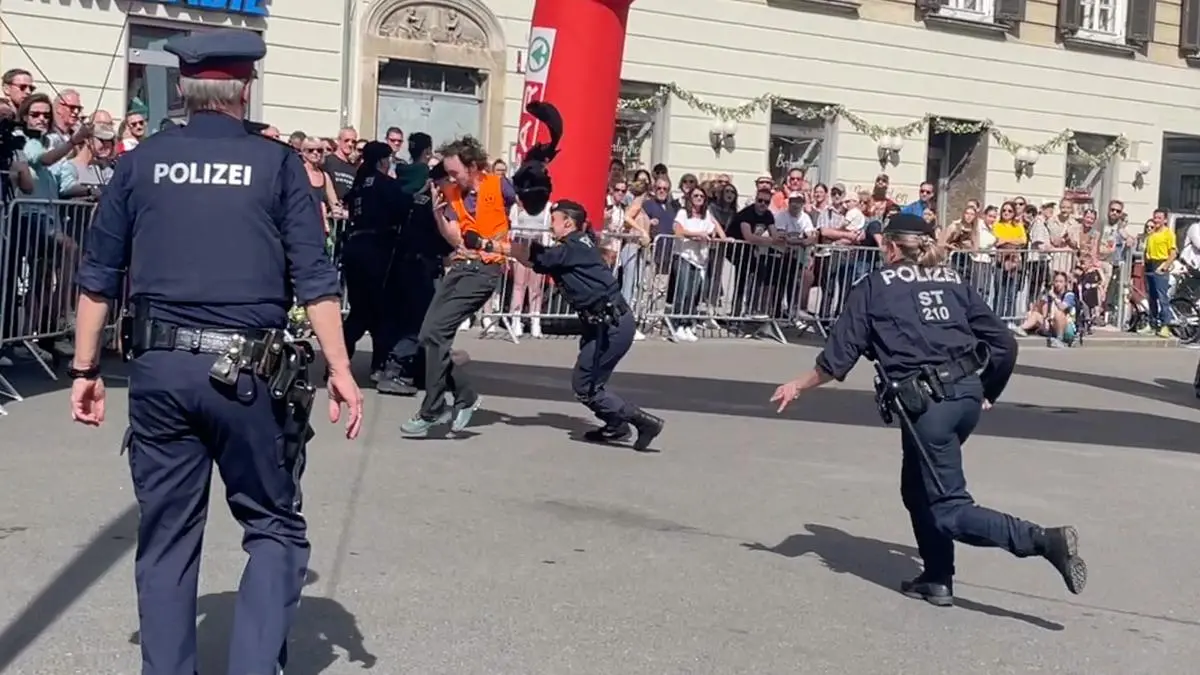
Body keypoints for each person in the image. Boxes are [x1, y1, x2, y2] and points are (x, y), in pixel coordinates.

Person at [67, 29, 364, 675]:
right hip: (248, 375)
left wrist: (85, 368)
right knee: (275, 527)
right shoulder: (280, 164)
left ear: (183, 88)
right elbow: (315, 279)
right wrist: (341, 369)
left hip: (159, 369)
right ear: (245, 87)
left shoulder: (140, 162)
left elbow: (97, 277)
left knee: (168, 536)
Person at [768, 213, 1086, 607]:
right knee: (917, 488)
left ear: (890, 247)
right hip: (965, 395)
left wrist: (797, 384)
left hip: (929, 407)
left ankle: (1043, 540)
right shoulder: (953, 281)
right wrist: (988, 390)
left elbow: (837, 359)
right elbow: (1005, 343)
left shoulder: (872, 287)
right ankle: (937, 577)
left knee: (950, 508)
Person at [463, 200, 664, 450]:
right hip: (603, 323)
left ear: (568, 223)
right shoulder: (575, 245)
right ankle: (616, 425)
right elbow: (535, 259)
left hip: (612, 326)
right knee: (590, 381)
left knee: (586, 386)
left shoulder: (572, 247)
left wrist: (487, 244)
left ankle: (644, 423)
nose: (551, 224)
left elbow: (534, 256)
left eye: (555, 219)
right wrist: (491, 245)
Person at [398, 116, 541, 436]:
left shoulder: (497, 184)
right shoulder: (451, 192)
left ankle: (433, 408)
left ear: (473, 166)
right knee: (427, 336)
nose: (450, 177)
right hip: (462, 265)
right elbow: (456, 239)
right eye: (448, 172)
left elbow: (529, 202)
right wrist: (437, 212)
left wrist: (535, 172)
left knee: (437, 333)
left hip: (486, 269)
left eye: (454, 172)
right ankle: (464, 396)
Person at [378, 132, 453, 394]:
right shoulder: (433, 201)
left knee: (408, 318)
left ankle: (413, 369)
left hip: (406, 262)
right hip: (421, 265)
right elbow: (440, 238)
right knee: (420, 321)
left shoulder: (416, 194)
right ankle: (396, 369)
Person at [340, 140, 415, 392]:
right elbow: (405, 207)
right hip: (377, 250)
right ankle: (380, 367)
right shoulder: (384, 184)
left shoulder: (360, 183)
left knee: (360, 310)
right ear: (383, 161)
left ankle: (338, 359)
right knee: (382, 311)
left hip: (355, 249)